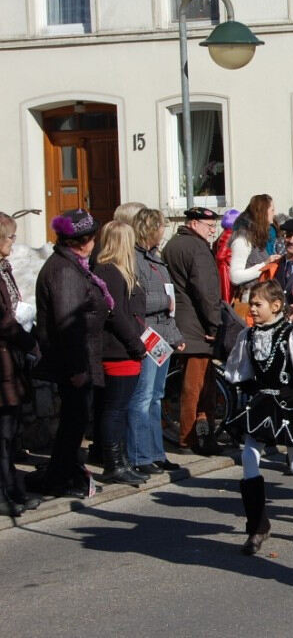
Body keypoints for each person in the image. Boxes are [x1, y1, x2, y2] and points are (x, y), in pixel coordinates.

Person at [222, 280, 293, 552]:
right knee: (249, 457)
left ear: (276, 306)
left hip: (289, 405)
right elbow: (240, 371)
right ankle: (257, 528)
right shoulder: (248, 337)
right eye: (250, 304)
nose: (252, 309)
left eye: (257, 304)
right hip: (262, 406)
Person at [33, 209, 109, 499]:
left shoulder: (72, 265)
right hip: (75, 362)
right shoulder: (64, 270)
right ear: (83, 241)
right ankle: (59, 478)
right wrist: (78, 368)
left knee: (75, 421)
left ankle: (62, 474)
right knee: (73, 422)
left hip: (82, 357)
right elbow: (68, 323)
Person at [162, 206, 223, 455]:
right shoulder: (198, 249)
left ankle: (198, 434)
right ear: (195, 223)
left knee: (194, 383)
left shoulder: (172, 245)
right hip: (196, 326)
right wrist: (214, 324)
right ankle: (189, 438)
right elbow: (206, 291)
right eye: (209, 227)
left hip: (179, 321)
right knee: (196, 386)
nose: (212, 231)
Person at [127, 208, 184, 476]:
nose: (164, 231)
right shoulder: (134, 260)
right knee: (143, 397)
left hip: (162, 337)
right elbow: (135, 300)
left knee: (156, 397)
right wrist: (165, 302)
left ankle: (156, 453)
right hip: (146, 335)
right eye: (162, 226)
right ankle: (140, 454)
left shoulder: (155, 259)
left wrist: (175, 337)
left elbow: (168, 304)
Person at [91, 221, 149, 486]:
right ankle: (113, 462)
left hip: (125, 348)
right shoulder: (109, 272)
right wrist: (136, 344)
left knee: (120, 408)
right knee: (114, 408)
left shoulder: (117, 271)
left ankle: (121, 459)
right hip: (118, 350)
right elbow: (117, 315)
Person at [0, 213, 41, 515]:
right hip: (2, 359)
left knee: (10, 431)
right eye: (11, 237)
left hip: (10, 359)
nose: (14, 243)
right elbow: (3, 320)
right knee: (2, 433)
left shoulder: (4, 268)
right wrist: (29, 342)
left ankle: (12, 487)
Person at [229, 195, 281, 316]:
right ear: (263, 212)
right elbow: (235, 277)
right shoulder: (243, 239)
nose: (274, 213)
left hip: (263, 299)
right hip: (250, 302)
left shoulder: (259, 236)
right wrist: (264, 265)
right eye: (272, 210)